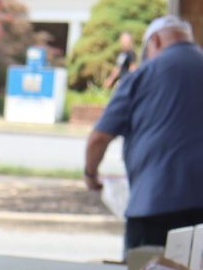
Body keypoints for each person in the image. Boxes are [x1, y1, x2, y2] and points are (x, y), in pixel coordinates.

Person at [85, 15, 203, 250]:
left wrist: (91, 175)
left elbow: (99, 138)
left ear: (156, 41)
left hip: (154, 206)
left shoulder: (143, 75)